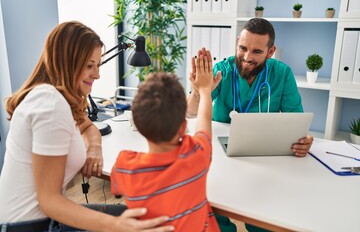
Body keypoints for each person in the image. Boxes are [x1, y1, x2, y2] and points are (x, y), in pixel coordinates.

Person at [0, 21, 174, 232]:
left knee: (144, 216)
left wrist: (94, 149)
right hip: (31, 226)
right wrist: (117, 226)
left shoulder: (53, 96)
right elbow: (50, 201)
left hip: (44, 221)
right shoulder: (50, 105)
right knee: (143, 221)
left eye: (98, 65)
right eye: (89, 65)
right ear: (67, 62)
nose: (97, 74)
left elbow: (88, 127)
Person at [110, 56, 220, 231]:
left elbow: (116, 190)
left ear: (137, 124)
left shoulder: (125, 166)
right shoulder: (196, 155)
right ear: (183, 127)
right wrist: (205, 90)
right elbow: (204, 121)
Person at [187, 18, 313, 158]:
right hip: (220, 147)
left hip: (263, 148)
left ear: (270, 51)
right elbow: (190, 113)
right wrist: (199, 92)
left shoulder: (282, 74)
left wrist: (303, 140)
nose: (247, 57)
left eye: (257, 51)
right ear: (237, 42)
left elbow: (296, 123)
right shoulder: (222, 71)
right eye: (243, 48)